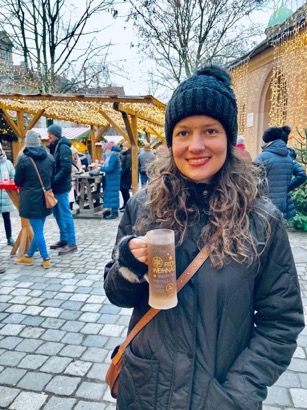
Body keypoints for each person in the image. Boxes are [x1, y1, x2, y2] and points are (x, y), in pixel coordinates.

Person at [103, 65, 304, 409]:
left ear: (227, 137)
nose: (195, 145)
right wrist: (128, 263)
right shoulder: (143, 206)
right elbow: (117, 294)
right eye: (183, 133)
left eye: (209, 130)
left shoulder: (262, 221)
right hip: (145, 391)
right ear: (171, 141)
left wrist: (239, 393)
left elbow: (281, 322)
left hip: (217, 397)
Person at [14, 130, 55, 269]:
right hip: (45, 198)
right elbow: (52, 177)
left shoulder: (24, 159)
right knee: (39, 229)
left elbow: (18, 181)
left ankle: (46, 259)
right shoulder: (49, 158)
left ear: (27, 143)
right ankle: (28, 256)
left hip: (31, 200)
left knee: (38, 231)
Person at [47, 124, 77, 255]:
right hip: (56, 187)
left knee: (65, 214)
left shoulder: (63, 148)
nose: (48, 137)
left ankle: (72, 242)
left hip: (61, 187)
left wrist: (53, 181)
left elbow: (65, 169)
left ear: (56, 135)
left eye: (50, 134)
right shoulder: (56, 147)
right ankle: (64, 239)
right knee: (58, 214)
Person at [255, 125, 294, 218]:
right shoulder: (289, 158)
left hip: (264, 205)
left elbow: (253, 180)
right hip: (281, 206)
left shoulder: (263, 157)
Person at [285, 146, 306, 219]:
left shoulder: (288, 159)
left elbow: (302, 175)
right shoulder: (290, 159)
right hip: (285, 199)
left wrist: (287, 186)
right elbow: (302, 175)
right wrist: (288, 187)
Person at [100, 145, 121, 220]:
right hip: (113, 179)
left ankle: (114, 212)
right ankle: (114, 211)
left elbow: (110, 168)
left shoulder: (113, 156)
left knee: (113, 195)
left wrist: (100, 168)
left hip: (112, 179)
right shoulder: (116, 156)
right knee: (113, 195)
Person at [0, 143, 15, 246]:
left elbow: (13, 176)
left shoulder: (7, 163)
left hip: (5, 194)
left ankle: (9, 237)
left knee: (6, 218)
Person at [119, 140, 132, 212]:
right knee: (123, 191)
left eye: (124, 146)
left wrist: (122, 173)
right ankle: (124, 205)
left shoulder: (128, 155)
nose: (122, 147)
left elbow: (127, 167)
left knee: (125, 191)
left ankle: (127, 206)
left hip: (126, 176)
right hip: (124, 175)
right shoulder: (125, 154)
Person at [70, 146, 82, 211]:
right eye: (75, 154)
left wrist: (80, 170)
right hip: (71, 179)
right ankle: (71, 206)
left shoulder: (78, 159)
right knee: (72, 193)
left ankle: (79, 204)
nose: (76, 155)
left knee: (78, 191)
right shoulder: (69, 161)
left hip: (78, 178)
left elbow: (79, 167)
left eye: (77, 153)